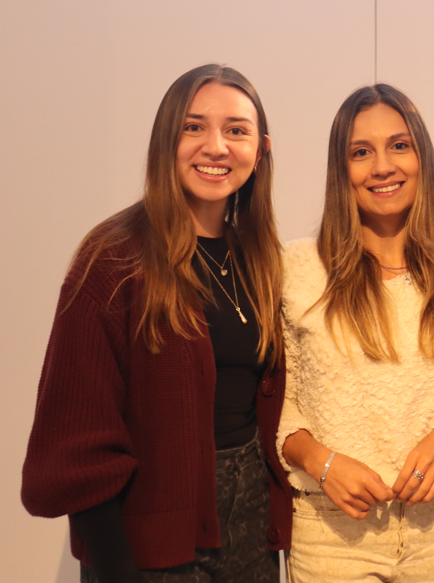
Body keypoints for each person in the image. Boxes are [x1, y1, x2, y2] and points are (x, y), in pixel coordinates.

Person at [21, 64, 292, 582]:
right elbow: (79, 445)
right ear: (165, 140)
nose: (216, 146)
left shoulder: (259, 260)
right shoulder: (114, 259)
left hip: (251, 535)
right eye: (193, 127)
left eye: (236, 130)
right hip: (147, 550)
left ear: (261, 150)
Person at [278, 83, 434, 583]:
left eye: (399, 146)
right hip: (331, 537)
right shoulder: (297, 270)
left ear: (421, 157)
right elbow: (277, 405)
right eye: (361, 152)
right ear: (340, 170)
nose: (382, 166)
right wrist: (321, 462)